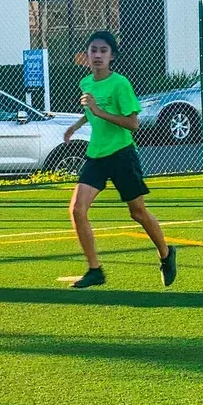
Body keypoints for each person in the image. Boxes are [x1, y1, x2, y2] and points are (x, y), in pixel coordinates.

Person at [61, 31, 176, 289]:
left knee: (137, 212)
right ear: (86, 55)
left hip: (122, 154)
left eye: (103, 50)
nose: (98, 55)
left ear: (112, 56)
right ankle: (95, 270)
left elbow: (133, 123)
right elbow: (91, 112)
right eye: (93, 50)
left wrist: (99, 111)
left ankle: (167, 255)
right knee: (77, 210)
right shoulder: (86, 83)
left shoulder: (120, 84)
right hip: (96, 155)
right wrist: (76, 126)